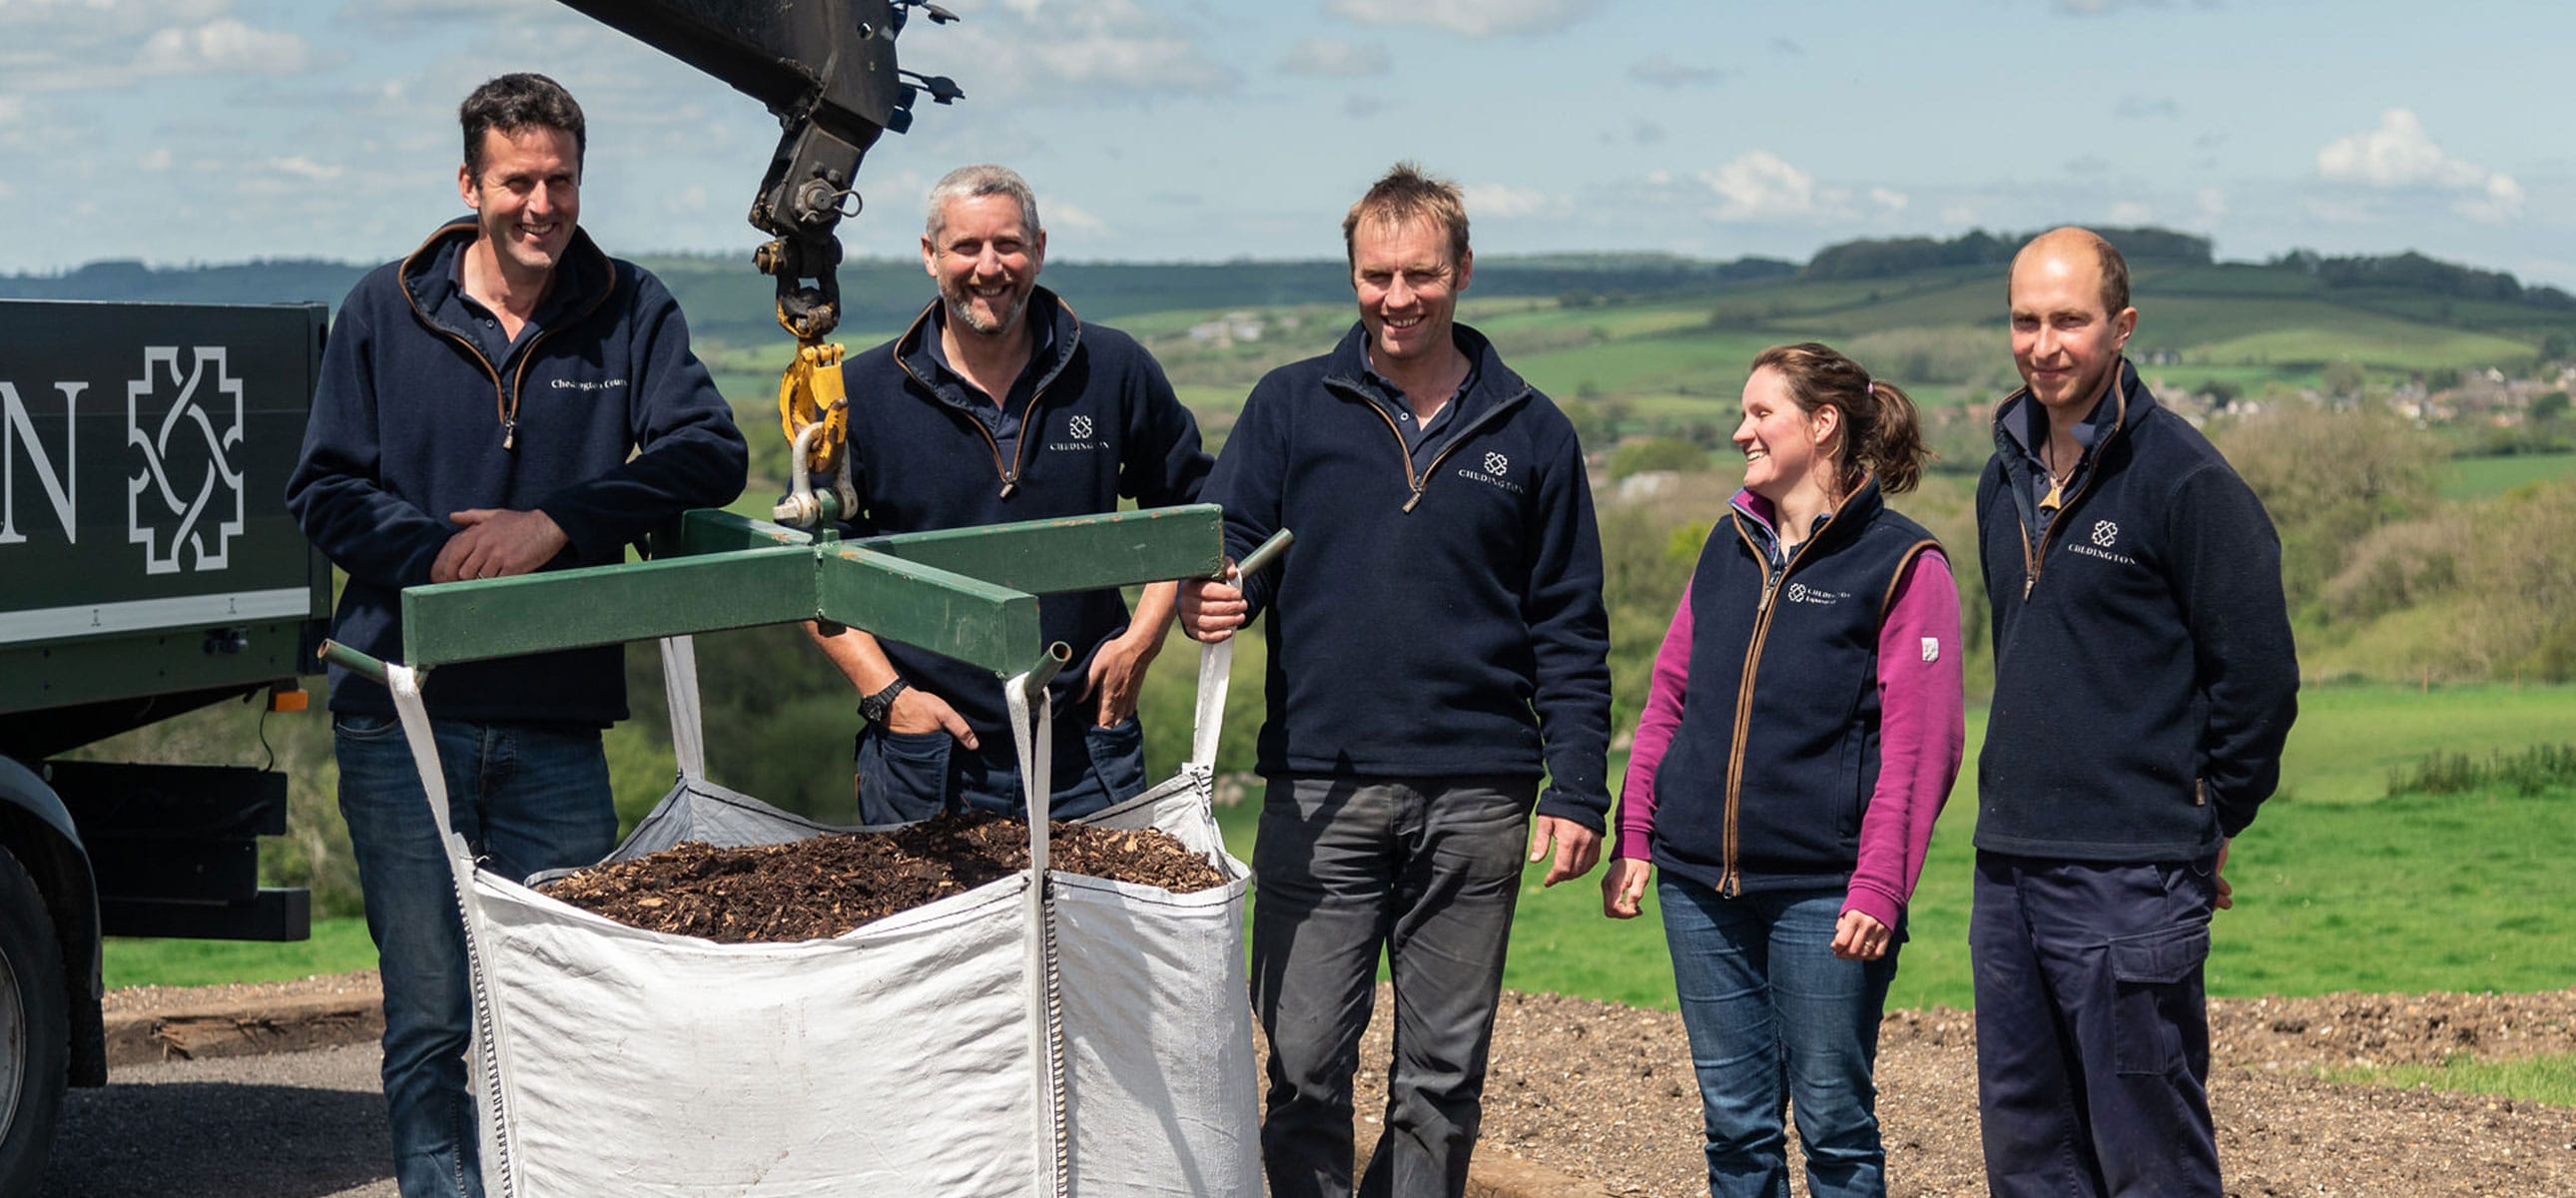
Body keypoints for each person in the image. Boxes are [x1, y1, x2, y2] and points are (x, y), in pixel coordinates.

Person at [284, 74, 748, 1198]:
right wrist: (431, 555)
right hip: (405, 718)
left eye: (561, 181)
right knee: (433, 1012)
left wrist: (557, 523)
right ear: (469, 185)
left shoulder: (629, 308)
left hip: (556, 718)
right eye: (518, 181)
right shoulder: (383, 310)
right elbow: (324, 490)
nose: (542, 204)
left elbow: (709, 453)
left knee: (564, 996)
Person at [1179, 162, 1611, 1198]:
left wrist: (1581, 786)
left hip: (1481, 788)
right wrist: (1214, 595)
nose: (1397, 297)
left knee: (1441, 1081)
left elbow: (1569, 624)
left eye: (1420, 273)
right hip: (1321, 784)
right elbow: (1227, 545)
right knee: (1305, 1063)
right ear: (1353, 275)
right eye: (1376, 275)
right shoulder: (1292, 404)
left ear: (1462, 272)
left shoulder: (1533, 429)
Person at [1969, 228, 2298, 1197]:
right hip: (2009, 872)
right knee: (2028, 1155)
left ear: (2122, 325)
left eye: (2069, 320)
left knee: (2148, 1159)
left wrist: (2205, 817)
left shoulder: (2185, 481)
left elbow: (2260, 679)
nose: (2044, 344)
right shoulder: (2004, 473)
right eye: (2025, 320)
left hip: (2130, 882)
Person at [1602, 343, 1964, 1197]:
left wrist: (1880, 887)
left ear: (1823, 424)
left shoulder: (1906, 566)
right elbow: (1669, 698)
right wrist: (1637, 834)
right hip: (1697, 887)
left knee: (1835, 1129)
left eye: (1761, 414)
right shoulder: (1727, 546)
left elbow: (1923, 747)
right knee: (1735, 1130)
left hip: (1824, 894)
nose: (1741, 432)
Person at [811, 164, 1211, 824]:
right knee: (931, 933)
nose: (989, 266)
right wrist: (887, 696)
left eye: (1009, 245)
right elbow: (810, 561)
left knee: (1096, 931)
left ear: (1040, 248)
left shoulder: (1112, 369)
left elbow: (1190, 505)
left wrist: (1142, 640)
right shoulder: (864, 393)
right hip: (926, 753)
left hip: (1087, 743)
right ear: (930, 255)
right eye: (967, 246)